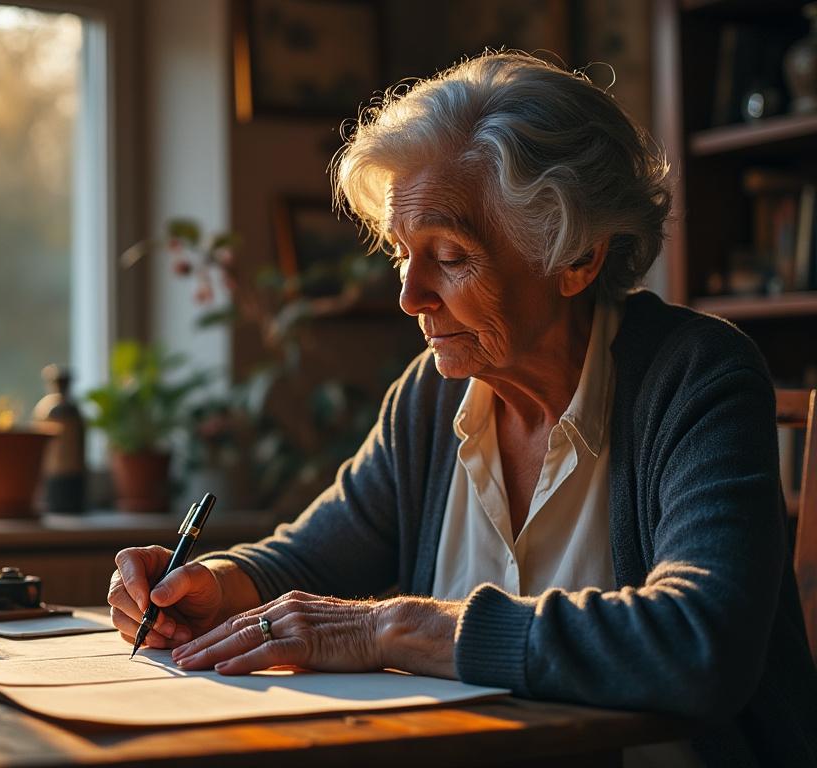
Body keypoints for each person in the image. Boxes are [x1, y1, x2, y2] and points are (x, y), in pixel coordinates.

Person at [107, 52, 817, 766]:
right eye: (400, 252)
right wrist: (216, 583)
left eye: (448, 255)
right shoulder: (431, 394)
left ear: (577, 258)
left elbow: (700, 642)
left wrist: (397, 628)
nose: (409, 296)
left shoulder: (695, 376)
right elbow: (313, 554)